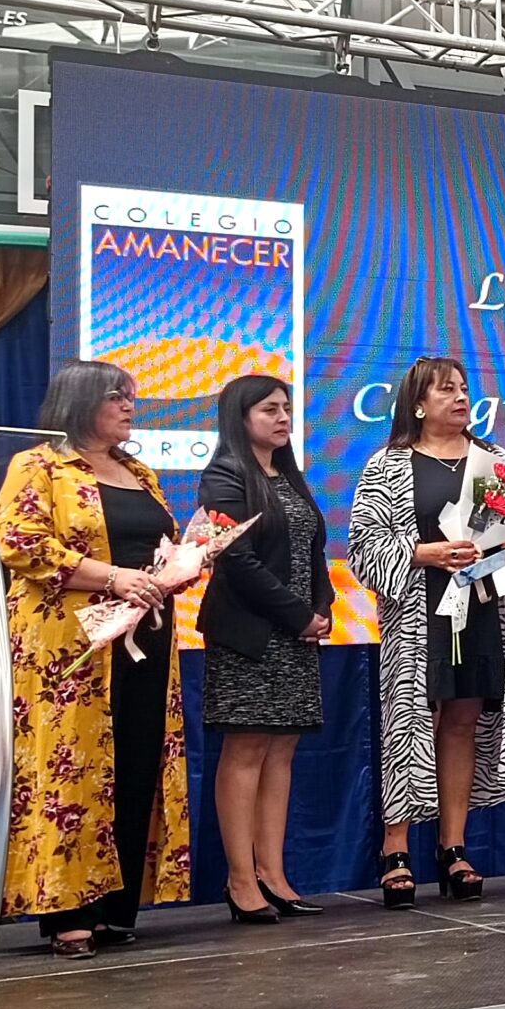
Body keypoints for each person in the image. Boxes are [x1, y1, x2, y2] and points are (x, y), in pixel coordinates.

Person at [0, 361, 192, 958]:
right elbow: (19, 542)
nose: (130, 406)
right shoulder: (39, 465)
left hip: (144, 636)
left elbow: (155, 545)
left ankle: (116, 906)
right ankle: (69, 911)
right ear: (78, 402)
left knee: (135, 759)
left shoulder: (139, 470)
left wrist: (180, 566)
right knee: (71, 767)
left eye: (131, 397)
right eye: (116, 397)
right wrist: (112, 577)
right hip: (67, 646)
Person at [349, 357, 505, 908]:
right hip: (419, 613)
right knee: (413, 724)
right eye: (446, 390)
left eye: (463, 388)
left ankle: (452, 847)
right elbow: (363, 543)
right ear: (418, 404)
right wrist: (423, 553)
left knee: (462, 721)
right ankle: (395, 849)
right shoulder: (389, 464)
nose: (460, 398)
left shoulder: (493, 462)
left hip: (481, 608)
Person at [196, 376, 333, 924]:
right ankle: (240, 879)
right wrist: (298, 616)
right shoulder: (224, 475)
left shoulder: (290, 476)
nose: (283, 418)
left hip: (296, 636)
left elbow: (313, 550)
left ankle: (273, 874)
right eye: (269, 409)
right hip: (250, 634)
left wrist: (322, 607)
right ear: (240, 416)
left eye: (287, 409)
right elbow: (237, 560)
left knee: (282, 751)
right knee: (248, 748)